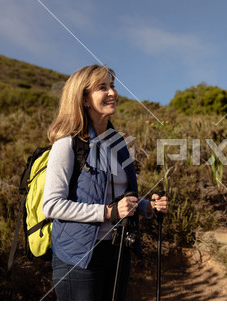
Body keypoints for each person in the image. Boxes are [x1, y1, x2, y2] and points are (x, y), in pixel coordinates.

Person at [42, 64, 168, 301]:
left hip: (117, 251)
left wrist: (145, 206)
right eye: (102, 88)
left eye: (112, 86)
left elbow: (119, 197)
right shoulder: (67, 144)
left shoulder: (118, 145)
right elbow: (51, 205)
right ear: (85, 99)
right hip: (78, 256)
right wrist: (107, 212)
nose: (112, 93)